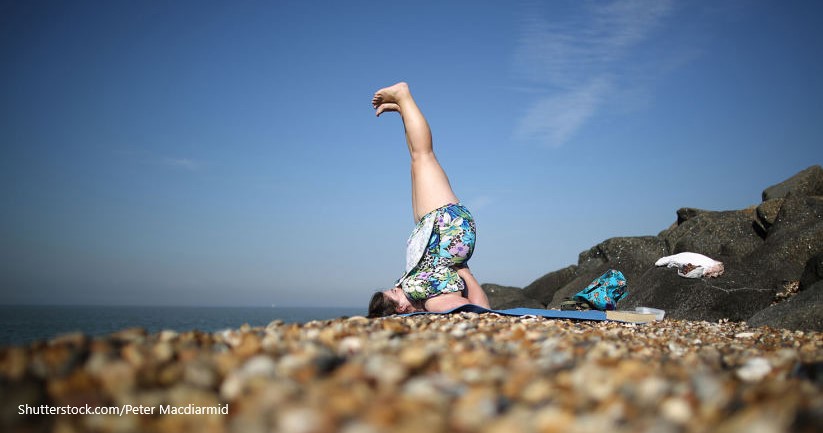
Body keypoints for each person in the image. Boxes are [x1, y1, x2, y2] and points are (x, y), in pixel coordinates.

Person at [367, 82, 491, 318]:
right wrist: (465, 273)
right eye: (394, 293)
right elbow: (482, 311)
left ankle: (405, 109)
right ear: (401, 308)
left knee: (417, 160)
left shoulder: (416, 294)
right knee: (423, 156)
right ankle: (404, 95)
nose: (397, 287)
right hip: (447, 228)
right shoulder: (434, 304)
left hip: (434, 232)